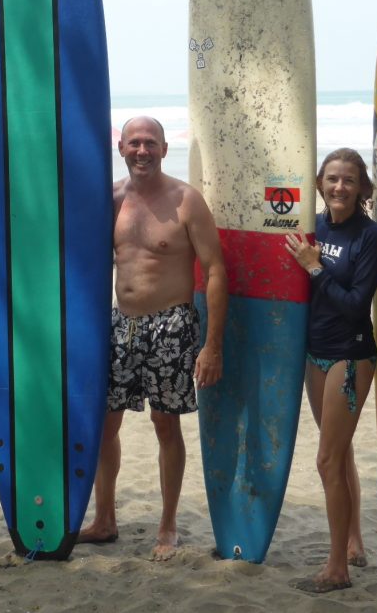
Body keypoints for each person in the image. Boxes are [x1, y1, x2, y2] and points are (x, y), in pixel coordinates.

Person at [77, 116, 227, 560]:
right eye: (134, 143)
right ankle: (104, 519)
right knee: (105, 424)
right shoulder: (110, 200)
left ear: (164, 148)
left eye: (150, 143)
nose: (142, 151)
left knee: (166, 424)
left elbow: (215, 271)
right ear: (120, 148)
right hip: (119, 325)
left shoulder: (186, 200)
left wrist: (212, 344)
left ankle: (167, 525)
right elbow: (51, 229)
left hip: (171, 325)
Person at [284, 148, 377, 594]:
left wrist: (314, 267)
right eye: (332, 179)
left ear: (362, 187)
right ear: (320, 184)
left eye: (348, 180)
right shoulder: (314, 227)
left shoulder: (370, 237)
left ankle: (336, 568)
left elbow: (355, 306)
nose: (339, 187)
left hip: (351, 354)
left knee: (326, 459)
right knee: (339, 453)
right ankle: (354, 543)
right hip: (314, 355)